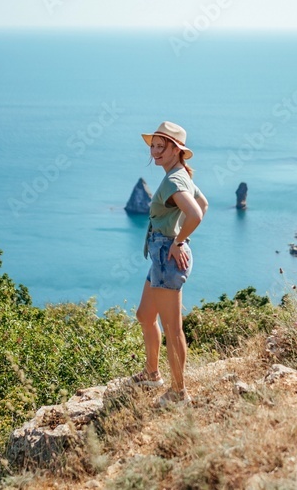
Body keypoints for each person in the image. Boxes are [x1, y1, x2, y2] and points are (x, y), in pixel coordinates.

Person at [132, 121, 208, 406]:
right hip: (162, 257)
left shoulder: (175, 180)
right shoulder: (179, 175)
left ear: (177, 149)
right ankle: (152, 374)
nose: (155, 151)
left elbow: (196, 214)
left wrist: (178, 241)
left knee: (173, 331)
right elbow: (204, 204)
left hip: (167, 255)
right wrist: (179, 239)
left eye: (161, 146)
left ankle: (179, 393)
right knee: (144, 315)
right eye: (153, 145)